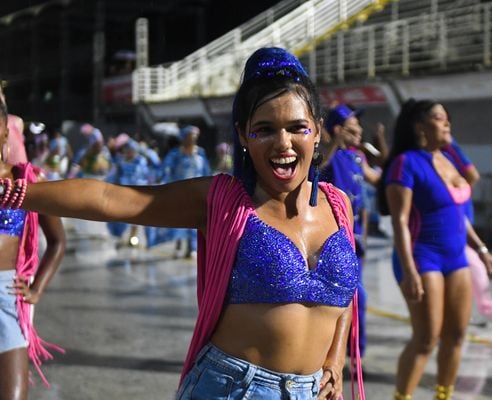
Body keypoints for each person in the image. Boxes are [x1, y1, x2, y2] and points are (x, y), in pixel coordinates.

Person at [2, 47, 365, 400]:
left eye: (297, 128)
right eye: (265, 129)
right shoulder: (221, 201)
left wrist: (334, 358)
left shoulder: (338, 205)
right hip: (234, 390)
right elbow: (110, 199)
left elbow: (342, 293)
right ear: (242, 135)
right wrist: (13, 193)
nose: (282, 143)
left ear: (318, 131)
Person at [379, 99, 492, 400]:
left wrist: (481, 250)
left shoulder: (447, 158)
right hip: (422, 257)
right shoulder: (405, 163)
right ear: (420, 126)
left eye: (447, 119)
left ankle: (443, 395)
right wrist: (409, 270)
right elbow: (401, 221)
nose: (447, 124)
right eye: (439, 118)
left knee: (457, 336)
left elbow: (458, 214)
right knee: (426, 339)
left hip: (456, 257)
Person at [0, 102, 66, 398]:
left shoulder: (26, 181)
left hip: (6, 300)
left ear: (5, 134)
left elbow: (57, 240)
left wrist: (37, 289)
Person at [322, 104, 381, 357]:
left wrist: (383, 145)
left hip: (356, 238)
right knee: (352, 295)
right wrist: (334, 141)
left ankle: (354, 351)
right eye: (353, 128)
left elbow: (378, 179)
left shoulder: (358, 157)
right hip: (333, 238)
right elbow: (319, 163)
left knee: (356, 295)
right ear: (338, 130)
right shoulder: (329, 155)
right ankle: (345, 350)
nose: (359, 133)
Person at [443, 138, 492, 324]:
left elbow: (472, 175)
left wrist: (481, 248)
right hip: (444, 237)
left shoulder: (459, 175)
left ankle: (482, 308)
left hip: (463, 231)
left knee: (476, 271)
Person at [161, 125, 212, 259]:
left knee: (195, 220)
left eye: (195, 136)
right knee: (180, 219)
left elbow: (206, 171)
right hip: (180, 192)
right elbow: (167, 170)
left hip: (198, 193)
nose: (193, 139)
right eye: (190, 136)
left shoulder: (200, 152)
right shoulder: (176, 154)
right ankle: (178, 245)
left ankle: (192, 247)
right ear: (184, 138)